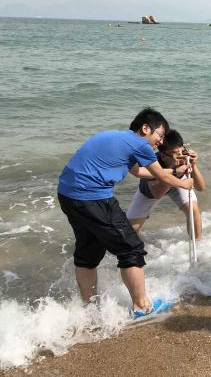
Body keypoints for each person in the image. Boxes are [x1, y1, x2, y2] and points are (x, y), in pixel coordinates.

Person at [57, 108, 193, 317]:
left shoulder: (119, 139)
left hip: (68, 194)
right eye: (160, 134)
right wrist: (184, 183)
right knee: (132, 249)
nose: (161, 141)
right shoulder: (140, 144)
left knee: (88, 254)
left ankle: (89, 310)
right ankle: (142, 308)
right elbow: (161, 177)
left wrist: (175, 171)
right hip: (93, 197)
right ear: (145, 128)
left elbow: (139, 171)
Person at [126, 129, 206, 242]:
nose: (180, 156)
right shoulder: (152, 163)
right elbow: (157, 194)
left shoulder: (184, 157)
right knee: (129, 232)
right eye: (175, 154)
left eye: (181, 151)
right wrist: (174, 170)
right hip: (152, 189)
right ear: (163, 156)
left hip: (178, 183)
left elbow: (201, 187)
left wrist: (193, 164)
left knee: (193, 210)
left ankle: (197, 242)